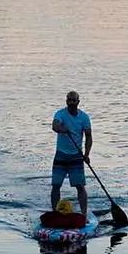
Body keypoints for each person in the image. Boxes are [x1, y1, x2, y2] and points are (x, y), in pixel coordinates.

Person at [50, 90, 93, 219]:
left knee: (80, 186)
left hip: (76, 156)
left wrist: (86, 154)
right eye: (69, 100)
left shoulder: (84, 117)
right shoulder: (60, 114)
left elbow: (89, 136)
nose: (71, 102)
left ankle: (84, 214)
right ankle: (54, 213)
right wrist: (62, 129)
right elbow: (55, 126)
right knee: (56, 185)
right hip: (61, 155)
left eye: (73, 100)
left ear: (78, 102)